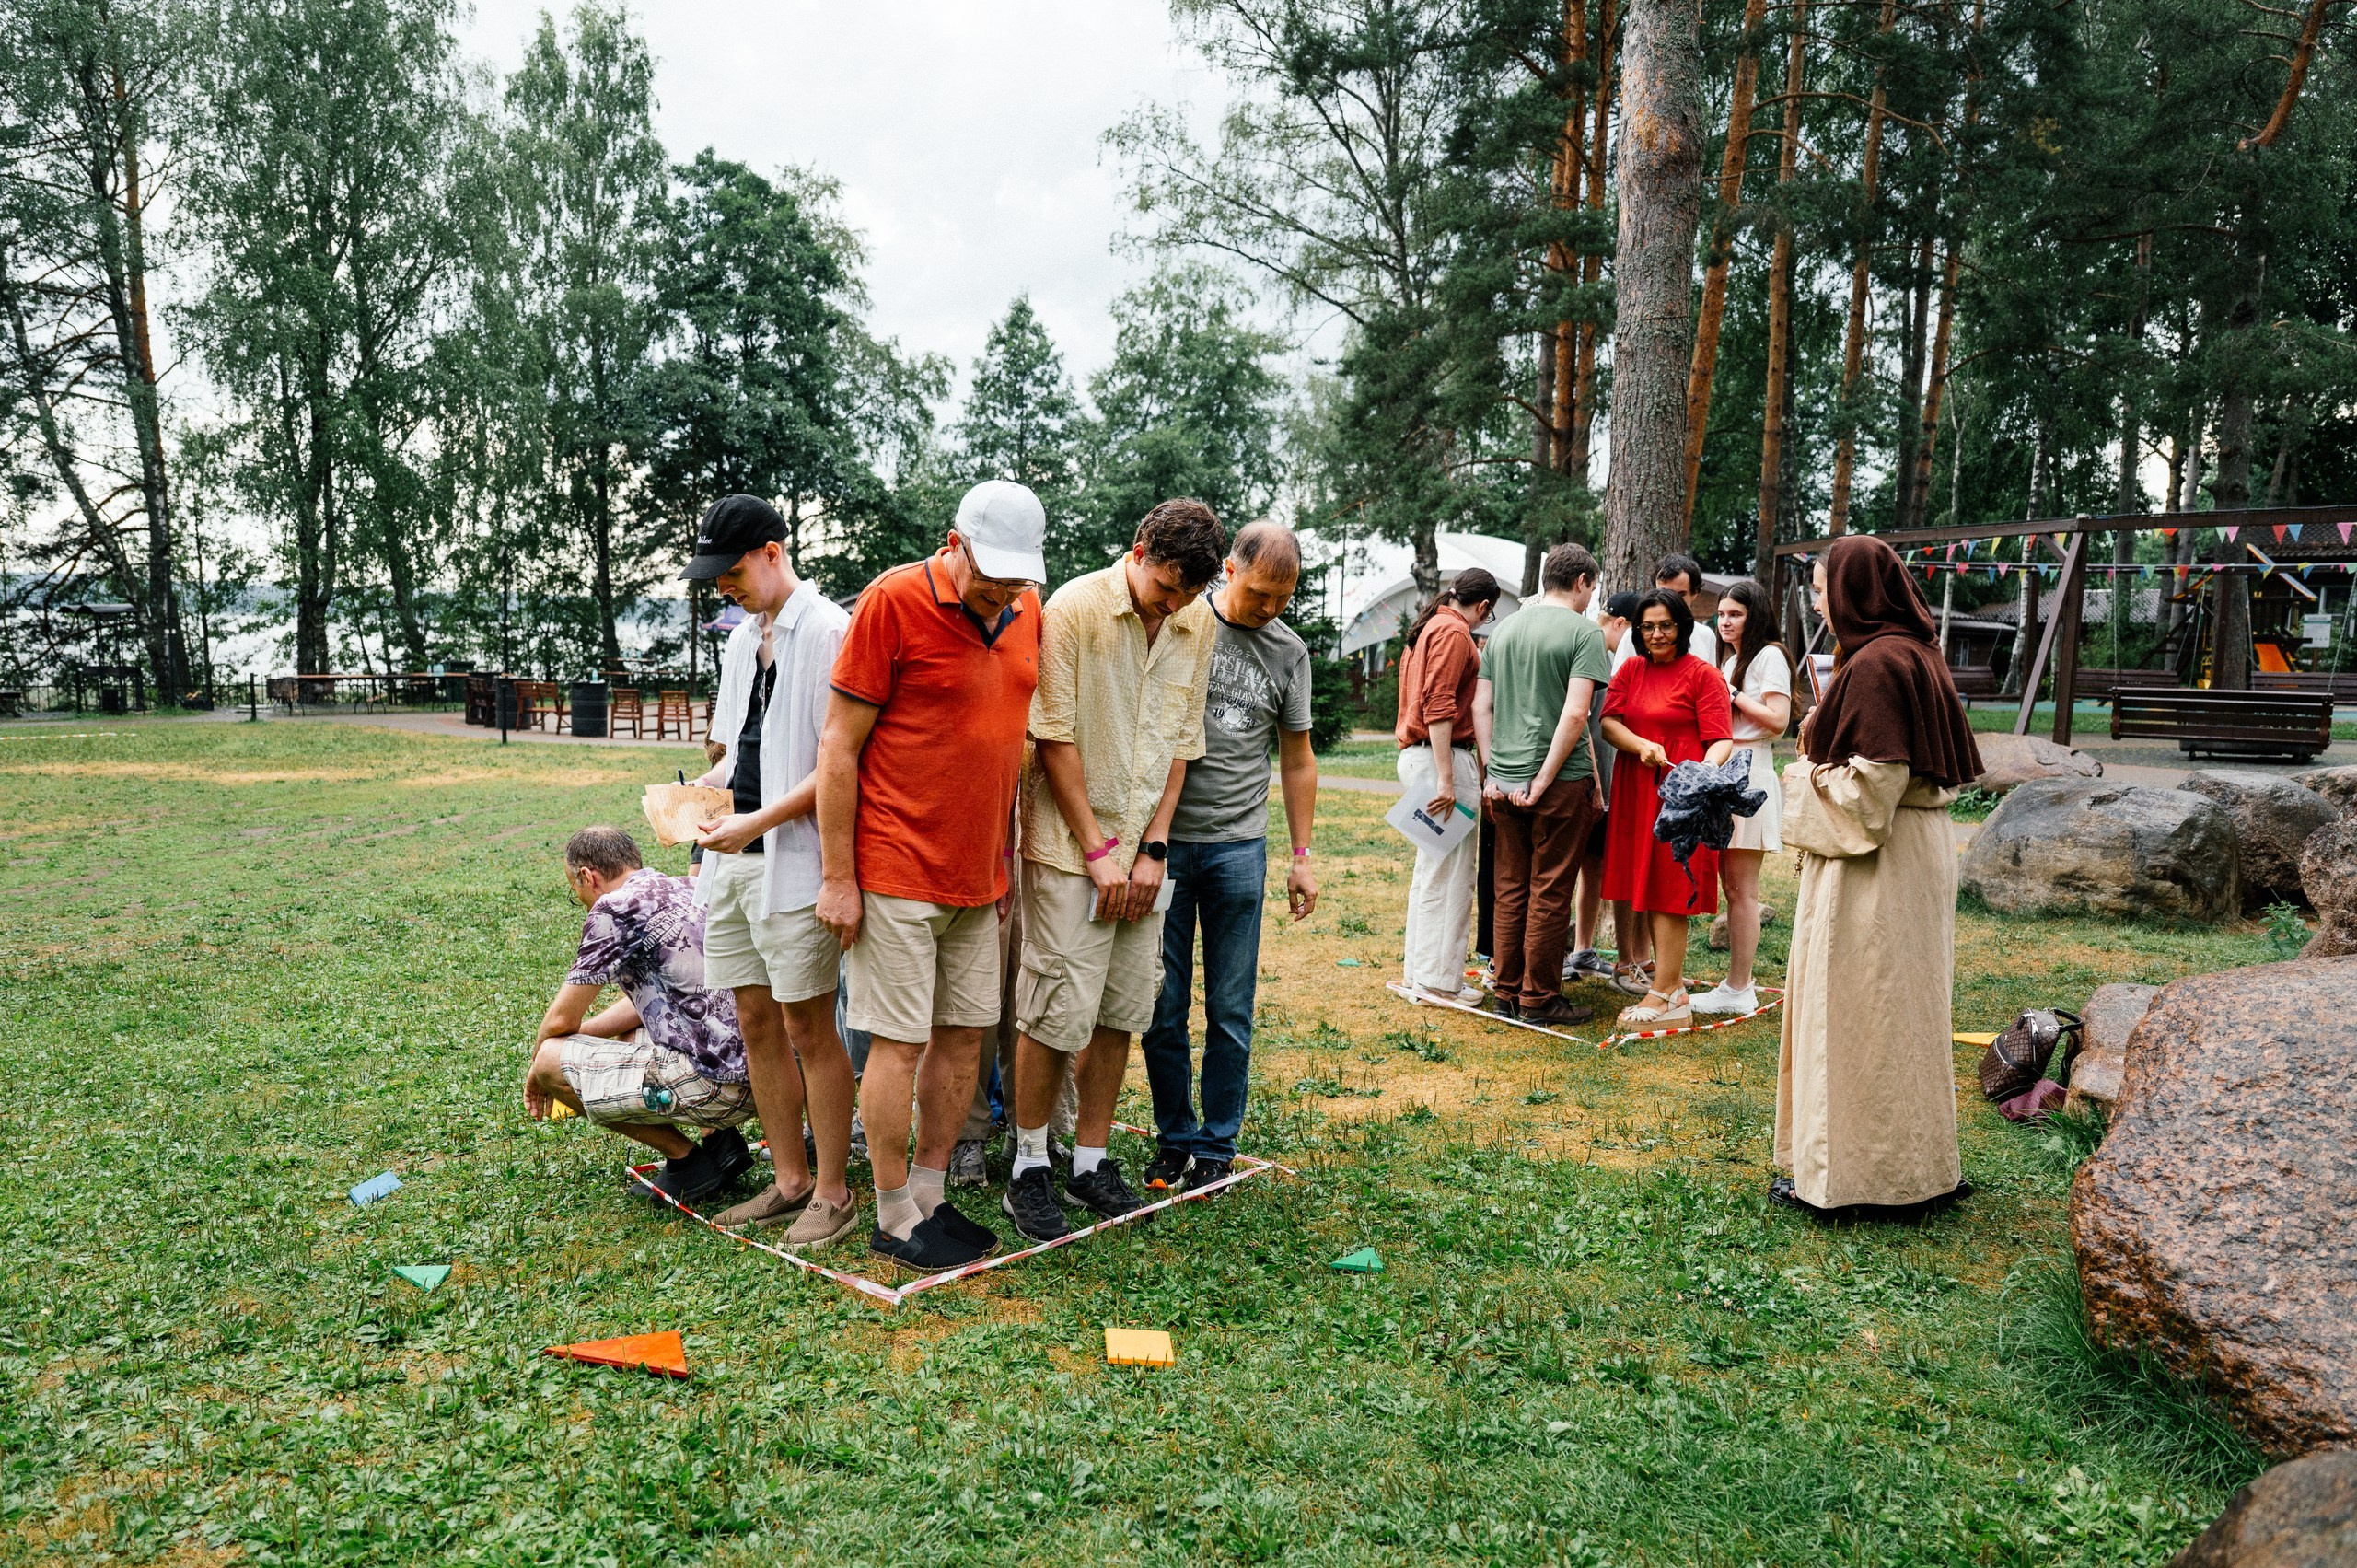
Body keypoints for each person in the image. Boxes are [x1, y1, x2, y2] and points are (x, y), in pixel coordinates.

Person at [813, 480, 1046, 1272]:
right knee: (900, 1043)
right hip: (895, 869)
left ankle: (931, 1194)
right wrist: (839, 878)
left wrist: (1007, 855)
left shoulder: (1027, 611)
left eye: (1017, 579)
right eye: (992, 576)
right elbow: (838, 747)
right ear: (954, 542)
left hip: (981, 878)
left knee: (964, 1037)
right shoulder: (890, 602)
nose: (1003, 592)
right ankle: (888, 1212)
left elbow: (1006, 746)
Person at [1001, 500, 1224, 1243]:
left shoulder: (1201, 621)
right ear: (1138, 551)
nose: (1173, 604)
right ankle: (1030, 1163)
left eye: (1187, 595)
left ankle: (1090, 1159)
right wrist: (1098, 849)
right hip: (1071, 848)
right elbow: (1053, 736)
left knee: (1122, 1008)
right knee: (1054, 1009)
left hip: (1142, 851)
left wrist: (1155, 846)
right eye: (1165, 588)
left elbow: (1181, 741)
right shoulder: (1073, 608)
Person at [1776, 537, 1981, 1219]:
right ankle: (1913, 1164)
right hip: (1912, 854)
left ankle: (1862, 1175)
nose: (1818, 603)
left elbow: (1869, 797)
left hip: (1877, 868)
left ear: (1854, 590)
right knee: (1904, 1012)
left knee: (1864, 1011)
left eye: (1820, 588)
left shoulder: (1877, 663)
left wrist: (1799, 774)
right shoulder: (1913, 650)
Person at [677, 495, 861, 1249]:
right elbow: (729, 751)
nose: (725, 586)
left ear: (774, 551)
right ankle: (787, 1179)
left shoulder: (827, 631)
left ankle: (833, 1190)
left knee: (808, 1024)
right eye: (716, 577)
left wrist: (757, 820)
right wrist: (694, 811)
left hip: (795, 857)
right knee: (755, 1019)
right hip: (733, 861)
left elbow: (837, 763)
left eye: (734, 571)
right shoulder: (739, 637)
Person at [1140, 521, 1319, 1194]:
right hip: (1164, 848)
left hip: (1240, 848)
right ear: (1229, 569)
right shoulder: (1182, 623)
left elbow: (1298, 758)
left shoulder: (1289, 652)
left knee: (1230, 1008)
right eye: (1261, 592)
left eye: (1284, 596)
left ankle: (1217, 1143)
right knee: (1162, 1002)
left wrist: (1302, 854)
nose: (1270, 607)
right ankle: (1174, 1136)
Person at [524, 827, 755, 1204]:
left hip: (717, 1088)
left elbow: (558, 1022)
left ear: (587, 876)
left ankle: (687, 1163)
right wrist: (586, 1036)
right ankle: (721, 1143)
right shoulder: (684, 886)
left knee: (552, 1058)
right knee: (630, 1037)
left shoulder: (612, 909)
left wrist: (540, 1066)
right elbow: (645, 1005)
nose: (579, 899)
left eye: (574, 890)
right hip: (761, 1077)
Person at [1472, 543, 1608, 1026]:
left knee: (1509, 887)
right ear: (1581, 582)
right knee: (1550, 890)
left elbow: (1480, 707)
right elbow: (1576, 715)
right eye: (1592, 587)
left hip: (1502, 782)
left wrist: (1493, 773)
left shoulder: (1504, 629)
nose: (1592, 597)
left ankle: (1506, 992)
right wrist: (1544, 779)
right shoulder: (1585, 634)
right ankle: (1539, 999)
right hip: (1559, 783)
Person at [1599, 588, 1735, 1027]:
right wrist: (1640, 745)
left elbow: (1721, 740)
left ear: (1682, 626)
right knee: (1647, 886)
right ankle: (1671, 986)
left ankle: (1665, 995)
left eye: (1666, 625)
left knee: (1670, 888)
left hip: (1680, 794)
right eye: (1648, 627)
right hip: (1637, 788)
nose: (1657, 634)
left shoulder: (1703, 675)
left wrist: (1697, 773)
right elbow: (1608, 723)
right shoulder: (1631, 669)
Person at [1394, 567, 1503, 1003]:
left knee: (1431, 871)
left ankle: (1418, 974)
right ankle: (1439, 982)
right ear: (1483, 607)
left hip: (1420, 756)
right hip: (1441, 761)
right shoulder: (1454, 633)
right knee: (1453, 874)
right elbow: (1437, 705)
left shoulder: (1429, 627)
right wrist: (1446, 777)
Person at [1694, 577, 1792, 1016]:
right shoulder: (1733, 658)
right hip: (1727, 768)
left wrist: (1728, 692)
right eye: (1721, 615)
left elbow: (1778, 720)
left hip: (1750, 768)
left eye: (1735, 615)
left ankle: (1739, 987)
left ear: (1754, 617)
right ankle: (1736, 982)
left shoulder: (1769, 655)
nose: (1725, 622)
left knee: (1742, 888)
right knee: (1731, 885)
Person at [1568, 589, 1645, 985]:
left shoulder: (1606, 654)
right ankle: (1565, 949)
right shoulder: (1595, 651)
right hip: (1588, 780)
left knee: (1593, 867)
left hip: (1602, 782)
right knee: (1572, 868)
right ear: (1620, 624)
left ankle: (1582, 948)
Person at [1655, 554, 1718, 671]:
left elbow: (1711, 684)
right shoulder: (1634, 635)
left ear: (1694, 593)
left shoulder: (1706, 636)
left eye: (1680, 595)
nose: (1671, 601)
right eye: (1664, 593)